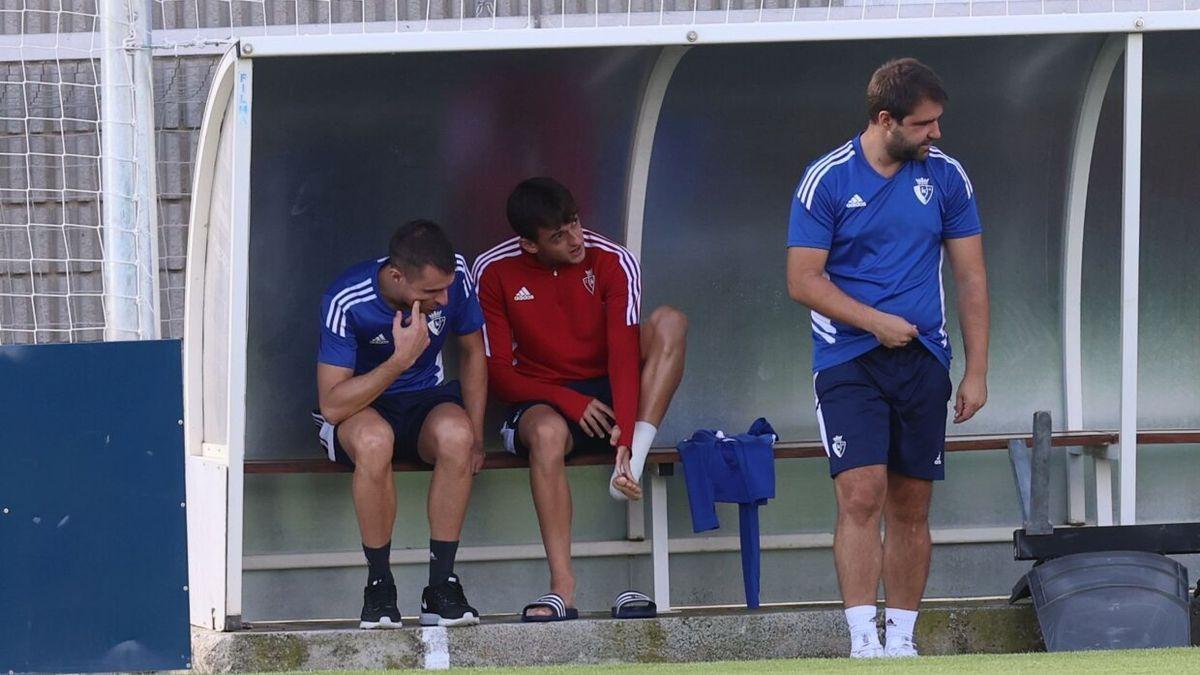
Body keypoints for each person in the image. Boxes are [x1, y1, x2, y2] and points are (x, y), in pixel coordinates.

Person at [785, 58, 990, 658]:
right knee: (861, 494)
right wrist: (875, 322)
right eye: (925, 124)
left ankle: (901, 639)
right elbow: (803, 280)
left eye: (938, 122)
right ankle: (861, 640)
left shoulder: (947, 176)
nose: (936, 135)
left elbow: (971, 277)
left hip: (925, 358)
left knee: (911, 502)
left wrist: (976, 370)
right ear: (885, 119)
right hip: (847, 358)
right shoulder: (825, 178)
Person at [471, 177, 688, 620]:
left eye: (574, 223)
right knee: (547, 435)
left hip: (609, 386)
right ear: (529, 246)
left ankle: (632, 463)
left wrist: (625, 437)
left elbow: (624, 357)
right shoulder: (492, 270)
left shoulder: (612, 260)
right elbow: (499, 376)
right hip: (540, 397)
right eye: (558, 235)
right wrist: (568, 401)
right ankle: (562, 589)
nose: (575, 239)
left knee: (670, 322)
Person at [312, 219, 487, 629]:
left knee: (457, 435)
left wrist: (477, 433)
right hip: (362, 408)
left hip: (425, 399)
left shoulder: (455, 275)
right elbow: (333, 404)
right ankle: (379, 585)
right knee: (375, 442)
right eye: (429, 292)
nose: (443, 299)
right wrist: (399, 361)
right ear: (396, 276)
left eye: (445, 289)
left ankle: (441, 586)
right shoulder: (346, 298)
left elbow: (474, 351)